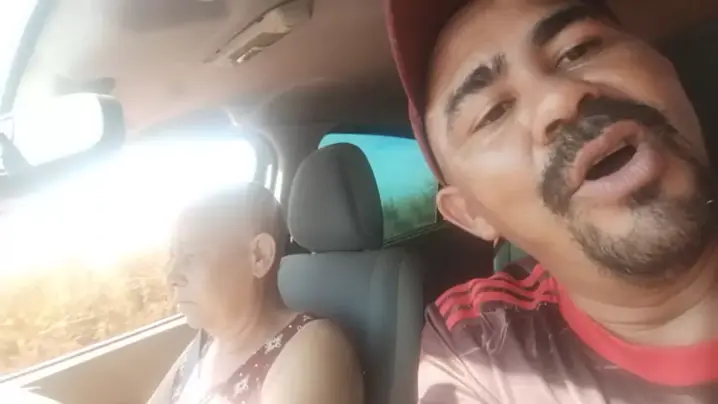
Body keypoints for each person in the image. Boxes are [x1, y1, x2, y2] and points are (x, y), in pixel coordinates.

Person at [385, 0, 718, 402]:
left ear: (667, 68)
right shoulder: (481, 345)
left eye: (578, 49)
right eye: (493, 112)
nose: (561, 99)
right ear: (471, 214)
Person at [148, 182, 364, 404]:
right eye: (172, 255)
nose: (171, 276)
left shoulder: (312, 349)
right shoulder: (204, 345)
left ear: (259, 256)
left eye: (191, 255)